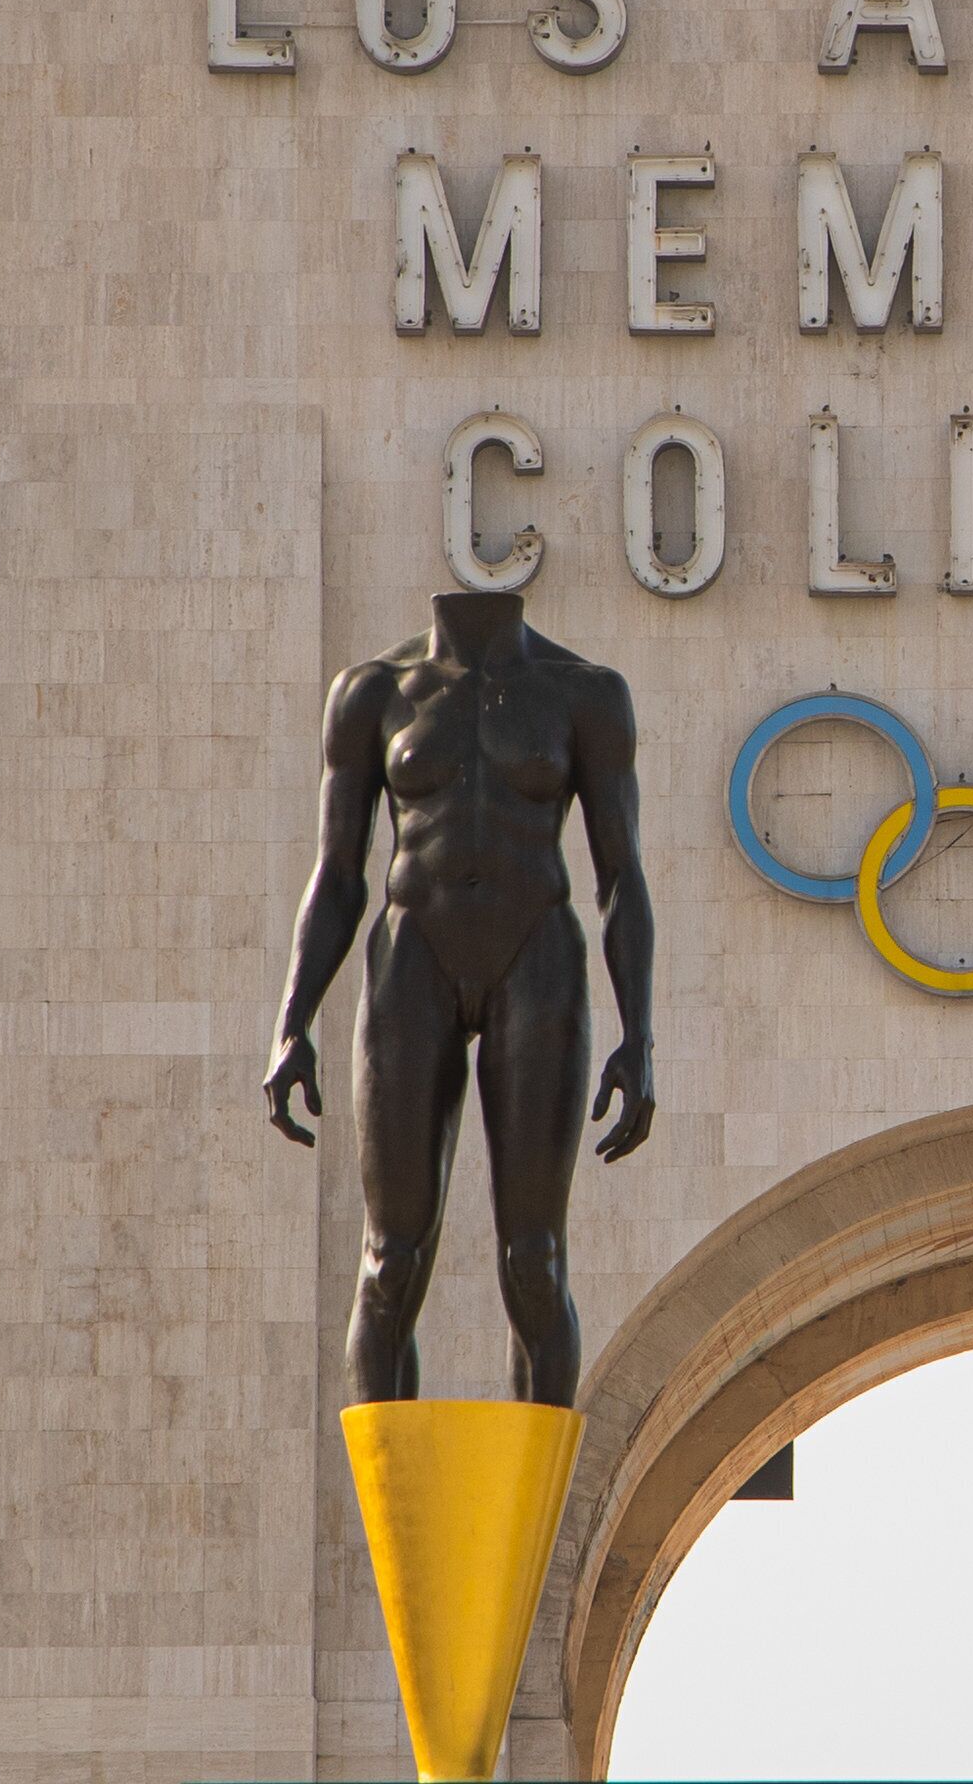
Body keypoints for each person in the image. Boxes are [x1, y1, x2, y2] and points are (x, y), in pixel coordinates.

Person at [265, 589, 655, 1408]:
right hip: (413, 959)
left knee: (536, 1262)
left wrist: (638, 1035)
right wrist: (292, 1020)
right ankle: (394, 1519)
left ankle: (533, 1522)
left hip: (537, 959)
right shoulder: (373, 692)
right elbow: (338, 874)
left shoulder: (585, 693)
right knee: (389, 1259)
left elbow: (621, 877)